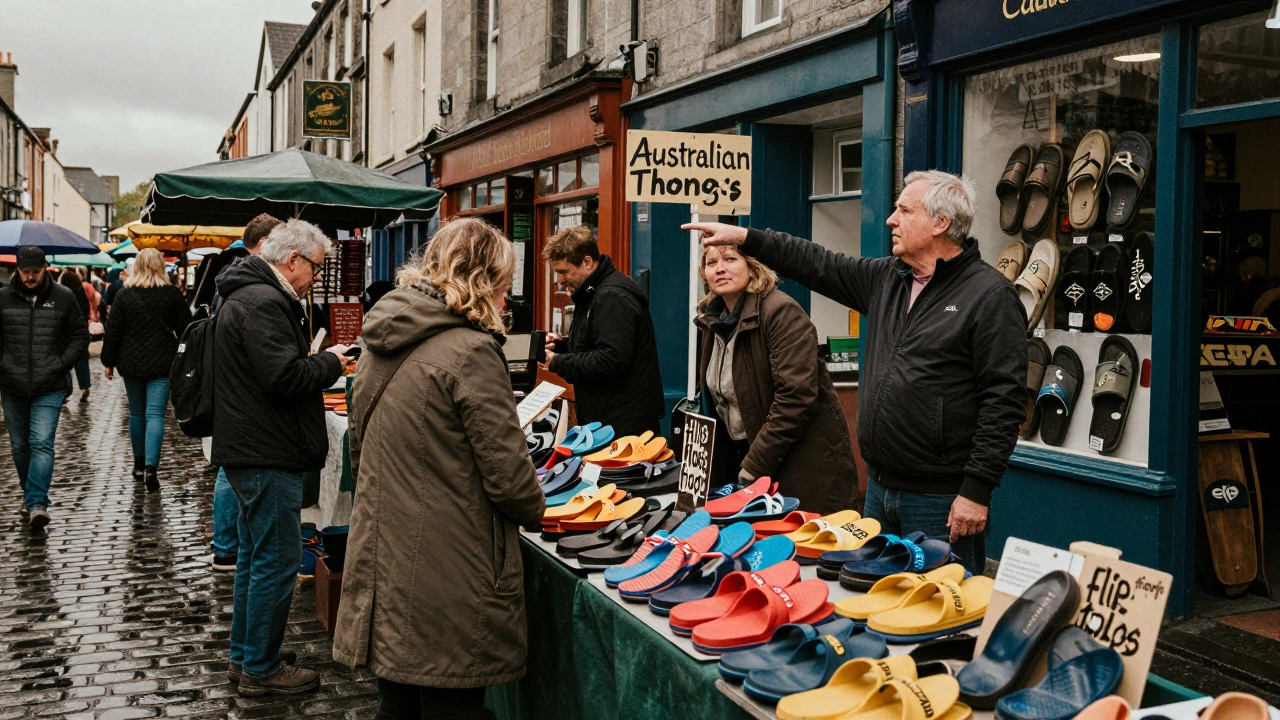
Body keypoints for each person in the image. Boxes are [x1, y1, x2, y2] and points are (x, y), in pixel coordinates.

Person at [684, 170, 1027, 575]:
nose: (890, 219)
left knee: (940, 612)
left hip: (940, 498)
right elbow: (817, 263)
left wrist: (976, 491)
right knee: (874, 599)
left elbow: (1003, 403)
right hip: (880, 490)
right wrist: (745, 238)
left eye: (903, 210)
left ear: (941, 223)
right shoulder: (887, 278)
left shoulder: (988, 295)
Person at [333, 217, 545, 720]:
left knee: (399, 703)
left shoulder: (380, 339)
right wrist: (536, 507)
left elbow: (360, 452)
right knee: (454, 706)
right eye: (504, 285)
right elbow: (511, 481)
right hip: (450, 567)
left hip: (385, 556)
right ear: (484, 280)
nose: (506, 298)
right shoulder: (472, 350)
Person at [211, 219, 352, 696]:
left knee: (256, 557)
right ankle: (261, 668)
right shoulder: (264, 302)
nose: (316, 278)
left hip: (253, 444)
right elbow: (284, 377)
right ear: (293, 260)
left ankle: (247, 654)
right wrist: (332, 362)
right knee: (276, 559)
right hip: (266, 449)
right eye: (316, 267)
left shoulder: (248, 295)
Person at [695, 245, 858, 514]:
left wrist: (753, 467)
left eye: (730, 259)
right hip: (745, 469)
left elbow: (796, 398)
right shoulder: (715, 320)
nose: (720, 268)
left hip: (801, 470)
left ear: (753, 266)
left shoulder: (780, 312)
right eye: (711, 263)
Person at [206, 213, 281, 572]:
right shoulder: (252, 284)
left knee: (228, 468)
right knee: (230, 468)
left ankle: (226, 543)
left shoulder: (231, 276)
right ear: (266, 244)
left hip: (231, 389)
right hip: (243, 395)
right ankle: (226, 544)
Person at [541, 225, 664, 437]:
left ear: (587, 262)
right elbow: (600, 342)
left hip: (622, 427)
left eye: (564, 271)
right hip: (609, 420)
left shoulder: (611, 296)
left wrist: (558, 362)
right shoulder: (593, 293)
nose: (560, 279)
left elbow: (611, 360)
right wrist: (563, 345)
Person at [0, 247, 90, 530]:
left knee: (41, 443)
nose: (29, 277)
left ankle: (37, 502)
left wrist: (60, 364)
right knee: (19, 446)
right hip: (11, 384)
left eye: (34, 272)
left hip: (49, 384)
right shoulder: (3, 298)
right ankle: (31, 496)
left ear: (44, 269)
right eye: (24, 272)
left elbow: (79, 335)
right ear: (17, 269)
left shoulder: (63, 297)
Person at [100, 248, 193, 493]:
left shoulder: (124, 295)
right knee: (155, 415)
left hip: (130, 362)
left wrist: (108, 362)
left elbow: (114, 332)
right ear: (160, 266)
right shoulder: (171, 294)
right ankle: (152, 467)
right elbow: (187, 329)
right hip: (163, 362)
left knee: (137, 414)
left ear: (136, 267)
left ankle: (139, 464)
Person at [58, 269, 93, 402]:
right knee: (81, 360)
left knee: (65, 362)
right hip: (81, 332)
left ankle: (67, 390)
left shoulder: (63, 295)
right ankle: (85, 386)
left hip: (66, 334)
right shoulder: (81, 293)